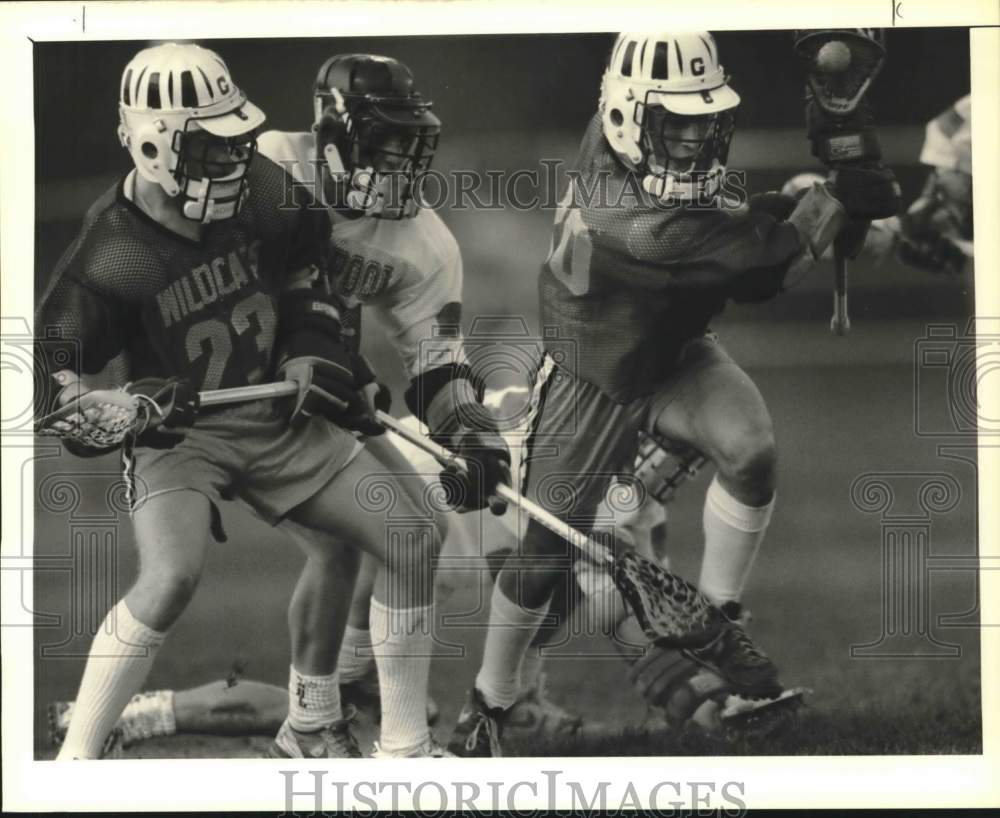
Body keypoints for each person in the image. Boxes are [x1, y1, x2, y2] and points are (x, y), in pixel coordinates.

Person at [446, 30, 895, 757]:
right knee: (541, 558)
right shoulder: (639, 225)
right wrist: (833, 205)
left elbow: (739, 225)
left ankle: (717, 617)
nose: (692, 139)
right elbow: (761, 269)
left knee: (750, 450)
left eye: (702, 120)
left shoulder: (631, 147)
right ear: (628, 116)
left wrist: (817, 195)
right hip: (595, 375)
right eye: (674, 123)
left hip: (674, 349)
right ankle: (489, 704)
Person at [34, 42, 467, 760]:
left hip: (279, 417)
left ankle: (402, 752)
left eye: (236, 138)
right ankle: (75, 762)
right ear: (153, 145)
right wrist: (107, 406)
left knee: (413, 537)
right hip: (181, 434)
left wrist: (309, 349)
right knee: (171, 577)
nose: (235, 159)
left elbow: (305, 265)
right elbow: (56, 375)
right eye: (211, 146)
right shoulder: (114, 250)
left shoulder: (261, 188)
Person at [255, 53, 513, 756]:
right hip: (235, 390)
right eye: (383, 144)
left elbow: (437, 364)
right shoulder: (268, 168)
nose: (400, 164)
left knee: (405, 536)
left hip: (323, 394)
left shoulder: (422, 241)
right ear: (332, 136)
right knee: (378, 538)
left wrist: (472, 432)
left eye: (409, 146)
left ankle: (322, 714)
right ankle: (371, 734)